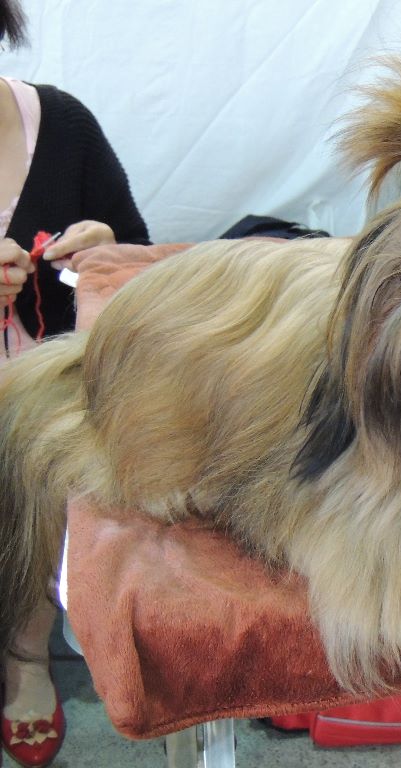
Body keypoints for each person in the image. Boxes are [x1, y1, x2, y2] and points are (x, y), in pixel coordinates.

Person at [1, 1, 149, 765]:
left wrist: (101, 248)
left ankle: (26, 657)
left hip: (43, 377)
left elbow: (138, 252)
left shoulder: (61, 124)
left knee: (50, 461)